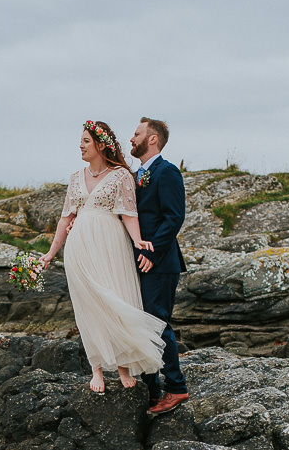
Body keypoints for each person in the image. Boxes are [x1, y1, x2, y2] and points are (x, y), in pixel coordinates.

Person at [39, 120, 165, 394]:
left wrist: (137, 240)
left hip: (111, 244)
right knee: (89, 304)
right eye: (81, 141)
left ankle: (123, 365)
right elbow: (65, 219)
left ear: (99, 144)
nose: (80, 145)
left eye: (85, 140)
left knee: (115, 298)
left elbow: (129, 213)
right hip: (79, 247)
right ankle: (96, 369)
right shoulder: (75, 178)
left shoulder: (120, 175)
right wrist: (51, 252)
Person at [129, 117, 189, 415]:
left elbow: (174, 217)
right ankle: (152, 391)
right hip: (137, 262)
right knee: (141, 326)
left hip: (161, 263)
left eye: (137, 134)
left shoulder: (167, 172)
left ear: (152, 139)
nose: (132, 139)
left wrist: (152, 255)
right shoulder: (135, 175)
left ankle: (176, 388)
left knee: (158, 324)